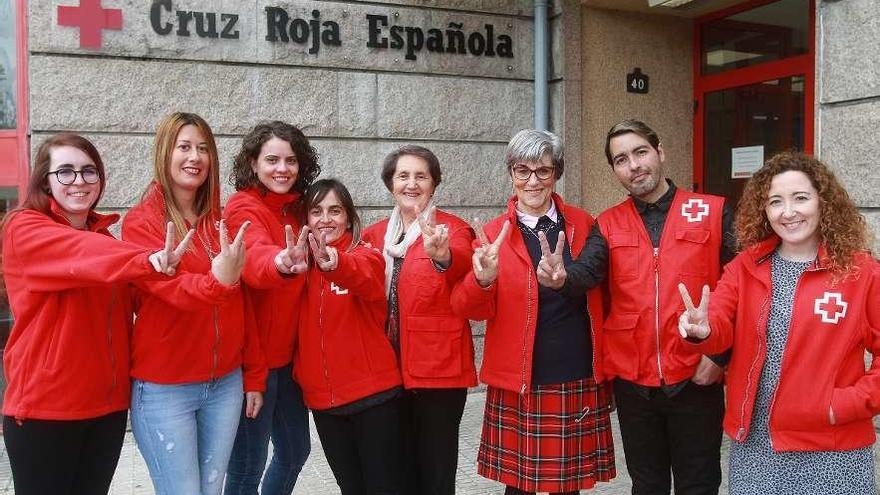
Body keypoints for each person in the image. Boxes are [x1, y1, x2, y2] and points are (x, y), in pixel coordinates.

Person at [537, 119, 735, 495]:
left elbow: (741, 287)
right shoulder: (609, 223)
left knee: (700, 482)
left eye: (641, 152)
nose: (634, 165)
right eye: (621, 159)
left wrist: (720, 357)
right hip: (633, 381)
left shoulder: (711, 211)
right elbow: (587, 272)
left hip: (696, 373)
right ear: (614, 169)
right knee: (647, 483)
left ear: (660, 152)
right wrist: (562, 279)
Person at [678, 152, 879, 495]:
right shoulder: (746, 266)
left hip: (832, 445)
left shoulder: (862, 273)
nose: (788, 212)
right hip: (756, 445)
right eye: (775, 202)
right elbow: (720, 322)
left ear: (823, 201)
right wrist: (703, 329)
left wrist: (845, 403)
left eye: (800, 198)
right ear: (764, 210)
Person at [1, 133, 189, 494]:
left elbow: (145, 299)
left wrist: (214, 284)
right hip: (46, 410)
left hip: (107, 409)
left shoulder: (111, 245)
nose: (79, 181)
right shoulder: (23, 228)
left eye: (89, 172)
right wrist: (147, 259)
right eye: (66, 172)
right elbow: (82, 252)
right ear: (45, 180)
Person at [451, 129, 615, 495]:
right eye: (522, 170)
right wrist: (482, 279)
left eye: (543, 170)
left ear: (557, 173)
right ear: (511, 173)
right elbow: (467, 309)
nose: (532, 181)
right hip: (519, 373)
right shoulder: (491, 234)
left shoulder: (584, 223)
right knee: (519, 487)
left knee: (568, 485)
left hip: (575, 368)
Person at [122, 112, 265, 495]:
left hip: (225, 384)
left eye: (203, 148)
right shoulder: (141, 223)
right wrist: (219, 281)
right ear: (165, 153)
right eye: (184, 147)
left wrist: (253, 374)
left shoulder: (219, 222)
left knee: (212, 489)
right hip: (166, 388)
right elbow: (170, 289)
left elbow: (242, 304)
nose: (195, 157)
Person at [362, 145, 476, 495]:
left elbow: (463, 265)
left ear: (434, 184)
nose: (411, 184)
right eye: (403, 176)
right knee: (398, 466)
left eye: (421, 176)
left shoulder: (453, 230)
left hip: (439, 371)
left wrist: (443, 257)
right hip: (386, 369)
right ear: (390, 184)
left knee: (436, 471)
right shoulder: (375, 234)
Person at [224, 121, 320, 495]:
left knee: (296, 451)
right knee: (247, 467)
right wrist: (281, 262)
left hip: (289, 362)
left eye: (291, 160)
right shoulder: (242, 206)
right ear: (253, 162)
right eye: (272, 160)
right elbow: (256, 259)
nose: (282, 169)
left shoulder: (298, 209)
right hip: (255, 363)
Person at [296, 178, 404, 495]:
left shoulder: (365, 254)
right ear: (306, 218)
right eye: (316, 211)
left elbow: (365, 276)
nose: (326, 219)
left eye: (335, 210)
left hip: (373, 398)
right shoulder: (297, 264)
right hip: (324, 402)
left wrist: (337, 264)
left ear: (349, 218)